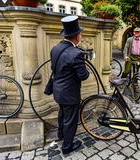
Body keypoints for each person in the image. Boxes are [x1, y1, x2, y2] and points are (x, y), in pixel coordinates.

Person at [50, 15, 89, 155]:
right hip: (70, 94)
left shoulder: (55, 48)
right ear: (77, 36)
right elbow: (83, 76)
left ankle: (61, 135)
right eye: (80, 33)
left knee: (62, 114)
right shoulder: (76, 53)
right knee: (70, 120)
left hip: (58, 90)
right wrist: (85, 67)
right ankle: (67, 146)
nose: (81, 36)